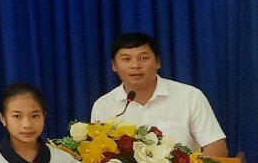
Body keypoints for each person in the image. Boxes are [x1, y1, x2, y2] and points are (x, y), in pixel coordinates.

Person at [91, 32, 226, 156]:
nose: (135, 65)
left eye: (143, 58)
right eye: (126, 59)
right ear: (114, 65)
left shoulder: (190, 96)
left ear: (158, 62)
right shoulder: (103, 106)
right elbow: (99, 155)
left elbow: (216, 146)